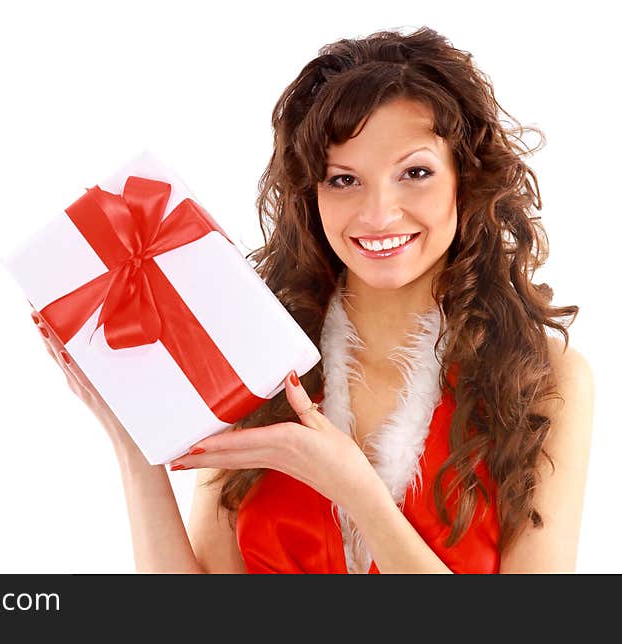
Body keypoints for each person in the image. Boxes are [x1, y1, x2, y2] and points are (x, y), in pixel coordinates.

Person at [30, 26, 594, 573]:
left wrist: (357, 494)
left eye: (415, 172)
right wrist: (137, 450)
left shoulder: (541, 379)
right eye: (343, 180)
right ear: (310, 194)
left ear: (465, 181)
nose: (378, 215)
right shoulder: (253, 355)